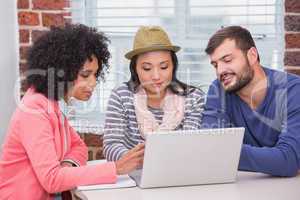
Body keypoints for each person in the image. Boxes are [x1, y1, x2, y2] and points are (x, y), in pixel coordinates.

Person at [0, 24, 144, 199]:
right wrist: (116, 168)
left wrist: (66, 167)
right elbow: (52, 180)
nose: (93, 83)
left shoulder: (51, 105)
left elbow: (79, 147)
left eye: (95, 75)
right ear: (62, 72)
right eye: (85, 75)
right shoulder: (34, 110)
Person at [202, 26, 300, 177]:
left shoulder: (293, 90)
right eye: (215, 65)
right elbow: (208, 146)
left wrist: (225, 151)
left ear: (252, 55)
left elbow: (288, 161)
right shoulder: (218, 90)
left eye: (227, 60)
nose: (220, 70)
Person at [103, 26, 205, 161]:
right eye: (147, 68)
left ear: (173, 66)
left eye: (164, 67)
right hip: (135, 175)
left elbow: (189, 145)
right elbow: (111, 146)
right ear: (135, 69)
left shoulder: (193, 98)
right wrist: (145, 160)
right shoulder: (121, 96)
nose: (156, 76)